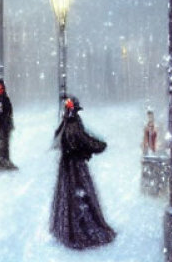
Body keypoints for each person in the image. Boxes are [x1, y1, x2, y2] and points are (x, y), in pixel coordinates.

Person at [50, 96, 116, 250]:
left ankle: (74, 230)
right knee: (78, 196)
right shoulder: (71, 123)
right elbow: (82, 140)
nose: (71, 110)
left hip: (69, 165)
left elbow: (73, 140)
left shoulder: (67, 122)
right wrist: (99, 146)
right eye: (70, 108)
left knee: (75, 197)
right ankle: (80, 231)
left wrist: (93, 146)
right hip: (74, 166)